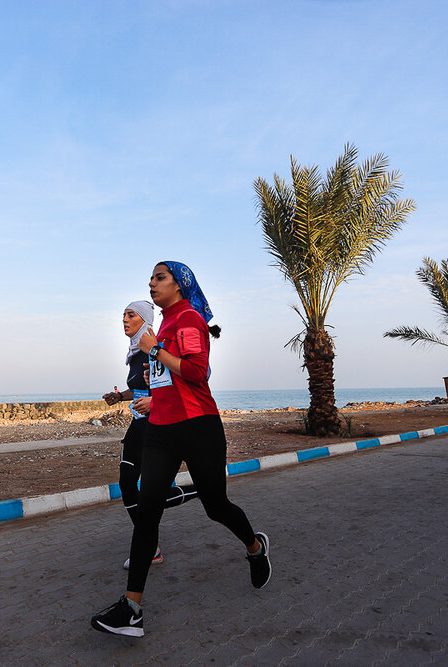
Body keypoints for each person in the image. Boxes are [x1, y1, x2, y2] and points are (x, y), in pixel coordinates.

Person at [91, 261, 270, 638]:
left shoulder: (188, 320)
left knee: (215, 505)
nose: (152, 283)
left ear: (179, 284)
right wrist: (151, 393)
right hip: (160, 428)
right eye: (151, 278)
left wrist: (155, 351)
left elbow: (196, 372)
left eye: (160, 278)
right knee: (147, 510)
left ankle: (255, 548)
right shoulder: (164, 325)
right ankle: (132, 608)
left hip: (198, 426)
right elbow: (167, 380)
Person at [102, 300, 198, 569]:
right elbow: (142, 388)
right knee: (128, 484)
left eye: (130, 315)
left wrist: (154, 402)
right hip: (139, 423)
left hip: (157, 424)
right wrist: (120, 396)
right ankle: (151, 546)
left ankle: (200, 492)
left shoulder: (153, 347)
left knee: (148, 492)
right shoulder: (135, 351)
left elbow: (171, 386)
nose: (124, 319)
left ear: (144, 319)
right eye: (122, 314)